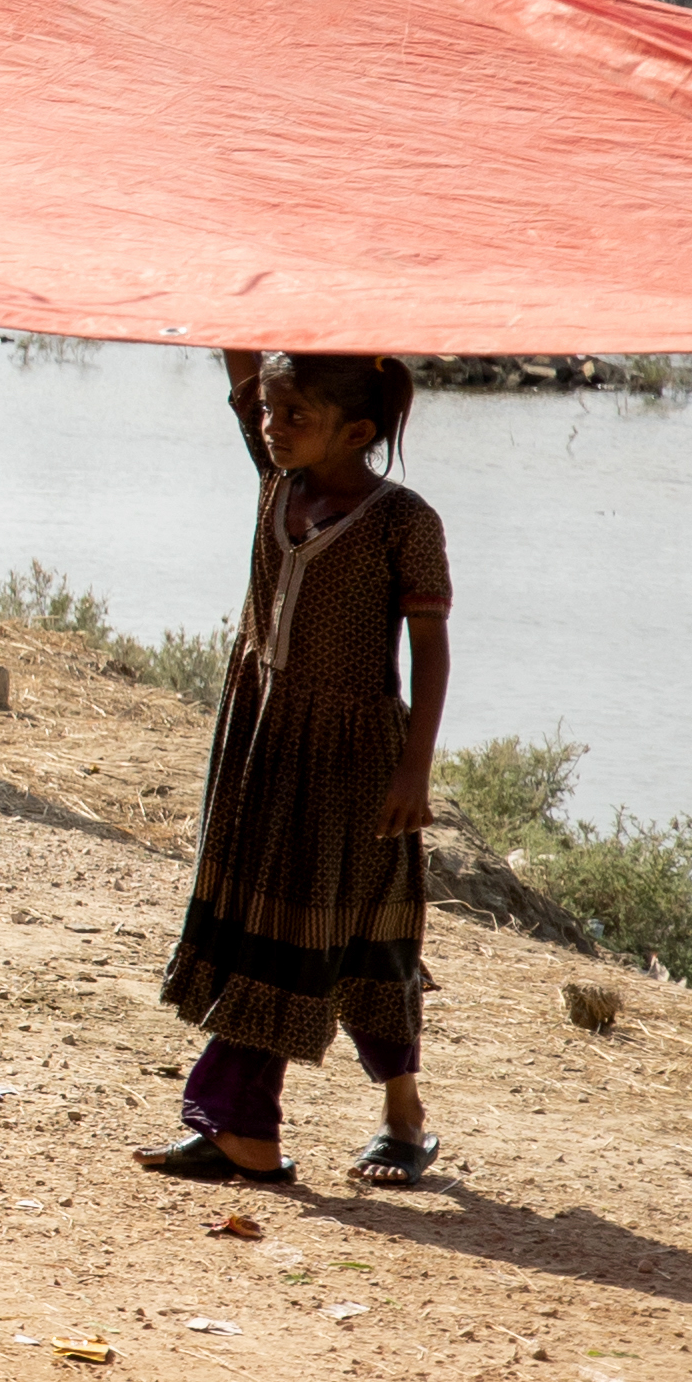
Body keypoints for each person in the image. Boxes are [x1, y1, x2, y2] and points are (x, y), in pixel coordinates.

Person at [143, 352, 456, 1192]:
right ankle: (253, 1127)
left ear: (357, 433)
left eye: (294, 417)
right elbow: (243, 362)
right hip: (261, 736)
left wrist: (413, 772)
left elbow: (430, 654)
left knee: (354, 932)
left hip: (352, 757)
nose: (272, 428)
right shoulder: (277, 480)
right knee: (268, 920)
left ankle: (384, 1116)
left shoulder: (404, 523)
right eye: (270, 414)